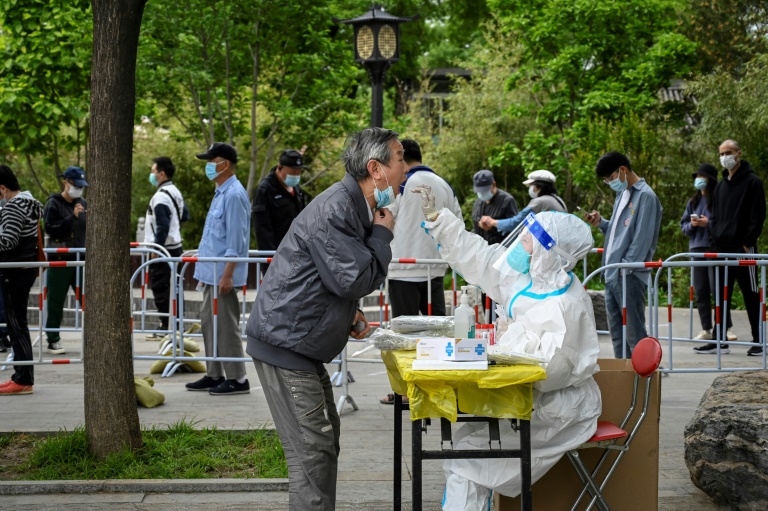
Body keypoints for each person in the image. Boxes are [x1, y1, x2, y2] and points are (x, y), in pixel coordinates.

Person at [412, 184, 600, 509]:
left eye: (527, 239)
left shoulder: (566, 305)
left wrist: (510, 334)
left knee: (467, 462)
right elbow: (479, 257)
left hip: (559, 412)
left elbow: (549, 371)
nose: (519, 244)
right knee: (464, 432)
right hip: (528, 402)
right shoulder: (528, 277)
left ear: (548, 251)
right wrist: (438, 218)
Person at [246, 127, 405, 510]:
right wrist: (382, 235)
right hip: (286, 343)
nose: (405, 166)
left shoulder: (353, 207)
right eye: (399, 158)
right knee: (312, 452)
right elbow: (353, 277)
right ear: (376, 169)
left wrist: (349, 314)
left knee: (323, 442)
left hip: (299, 342)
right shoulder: (338, 208)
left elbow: (331, 277)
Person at [185, 142, 251, 395]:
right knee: (209, 325)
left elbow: (236, 240)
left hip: (222, 275)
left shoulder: (234, 195)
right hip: (211, 274)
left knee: (225, 327)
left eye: (212, 162)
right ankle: (214, 374)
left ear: (224, 164)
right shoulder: (222, 192)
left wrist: (227, 274)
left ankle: (238, 378)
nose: (208, 166)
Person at [585, 151, 662, 359]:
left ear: (622, 170)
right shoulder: (623, 194)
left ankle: (644, 376)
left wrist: (624, 268)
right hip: (613, 274)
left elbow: (641, 240)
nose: (610, 183)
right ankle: (625, 375)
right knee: (617, 335)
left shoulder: (645, 196)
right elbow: (618, 233)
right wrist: (601, 223)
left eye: (610, 178)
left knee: (635, 333)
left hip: (629, 275)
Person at [386, 139, 462, 318]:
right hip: (434, 269)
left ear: (401, 158)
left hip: (402, 270)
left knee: (404, 336)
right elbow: (458, 225)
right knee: (437, 334)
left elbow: (384, 220)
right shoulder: (444, 185)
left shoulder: (400, 185)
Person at [709, 139, 766, 356]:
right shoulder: (721, 186)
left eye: (729, 152)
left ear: (739, 153)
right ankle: (719, 339)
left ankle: (758, 340)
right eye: (721, 153)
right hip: (722, 250)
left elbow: (758, 214)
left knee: (751, 294)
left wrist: (747, 242)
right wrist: (716, 239)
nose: (725, 157)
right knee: (721, 295)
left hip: (744, 250)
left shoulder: (753, 182)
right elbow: (714, 217)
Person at [681, 163, 736, 351]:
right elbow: (684, 226)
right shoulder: (693, 201)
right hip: (696, 249)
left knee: (718, 290)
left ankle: (724, 328)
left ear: (710, 180)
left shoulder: (718, 200)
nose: (699, 180)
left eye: (702, 177)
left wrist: (708, 224)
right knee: (701, 291)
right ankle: (707, 329)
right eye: (697, 176)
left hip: (714, 249)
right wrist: (693, 225)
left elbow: (723, 226)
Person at [0, 165, 44, 396]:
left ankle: (23, 379)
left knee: (16, 325)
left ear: (2, 188)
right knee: (17, 324)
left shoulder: (14, 207)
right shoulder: (27, 202)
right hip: (23, 270)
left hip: (14, 271)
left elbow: (7, 241)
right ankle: (21, 375)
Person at [42, 166, 88, 355]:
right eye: (75, 185)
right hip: (60, 259)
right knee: (55, 302)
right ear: (66, 183)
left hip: (81, 259)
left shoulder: (83, 202)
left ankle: (93, 337)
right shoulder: (53, 203)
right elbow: (51, 229)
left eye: (81, 186)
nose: (78, 189)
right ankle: (53, 339)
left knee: (88, 299)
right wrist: (72, 217)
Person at [144, 156, 190, 340]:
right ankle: (177, 324)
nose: (152, 175)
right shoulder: (175, 192)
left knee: (161, 288)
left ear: (162, 174)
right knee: (175, 287)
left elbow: (162, 225)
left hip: (163, 250)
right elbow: (184, 215)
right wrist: (175, 231)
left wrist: (157, 248)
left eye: (153, 171)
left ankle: (166, 326)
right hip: (175, 247)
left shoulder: (161, 196)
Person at [251, 148, 310, 274]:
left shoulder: (296, 188)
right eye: (292, 172)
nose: (296, 176)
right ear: (280, 168)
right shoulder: (265, 189)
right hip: (277, 258)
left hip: (298, 256)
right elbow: (263, 231)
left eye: (299, 172)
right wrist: (271, 265)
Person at [481, 169, 567, 234]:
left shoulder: (540, 202)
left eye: (531, 186)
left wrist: (492, 222)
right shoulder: (558, 200)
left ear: (538, 187)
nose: (530, 189)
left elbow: (517, 222)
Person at [471, 169, 518, 245]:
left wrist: (493, 227)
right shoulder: (478, 202)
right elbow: (475, 227)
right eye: (479, 191)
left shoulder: (507, 201)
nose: (482, 194)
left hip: (501, 248)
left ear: (493, 185)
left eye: (484, 191)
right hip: (481, 250)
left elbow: (514, 230)